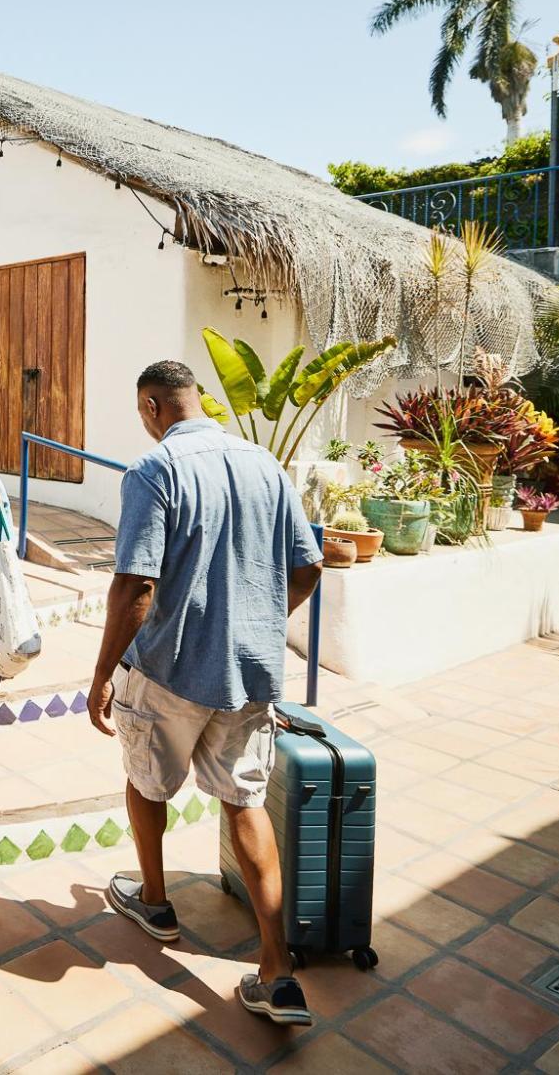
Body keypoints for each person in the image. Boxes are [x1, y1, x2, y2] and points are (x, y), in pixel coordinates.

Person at [87, 359, 323, 1026]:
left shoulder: (154, 471)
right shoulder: (266, 467)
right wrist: (259, 626)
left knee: (145, 783)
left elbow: (136, 586)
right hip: (246, 674)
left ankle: (156, 903)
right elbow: (307, 565)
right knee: (245, 805)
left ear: (155, 407)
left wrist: (103, 673)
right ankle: (277, 972)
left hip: (167, 671)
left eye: (144, 413)